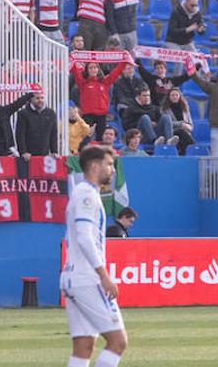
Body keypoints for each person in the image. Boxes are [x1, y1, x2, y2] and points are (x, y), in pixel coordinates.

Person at [61, 145, 128, 367]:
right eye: (109, 164)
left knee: (83, 346)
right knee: (118, 341)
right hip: (86, 278)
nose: (112, 170)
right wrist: (103, 275)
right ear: (94, 165)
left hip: (73, 277)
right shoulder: (86, 194)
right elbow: (84, 237)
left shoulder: (83, 192)